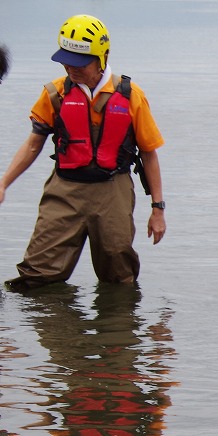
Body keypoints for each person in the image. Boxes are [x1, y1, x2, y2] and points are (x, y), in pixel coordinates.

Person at [0, 15, 165, 292]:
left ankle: (115, 332)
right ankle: (52, 330)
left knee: (119, 275)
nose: (70, 68)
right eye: (65, 61)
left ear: (102, 57)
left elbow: (149, 154)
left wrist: (157, 210)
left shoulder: (131, 96)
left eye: (79, 62)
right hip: (64, 191)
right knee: (36, 276)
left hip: (113, 191)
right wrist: (3, 183)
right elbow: (33, 145)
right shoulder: (55, 95)